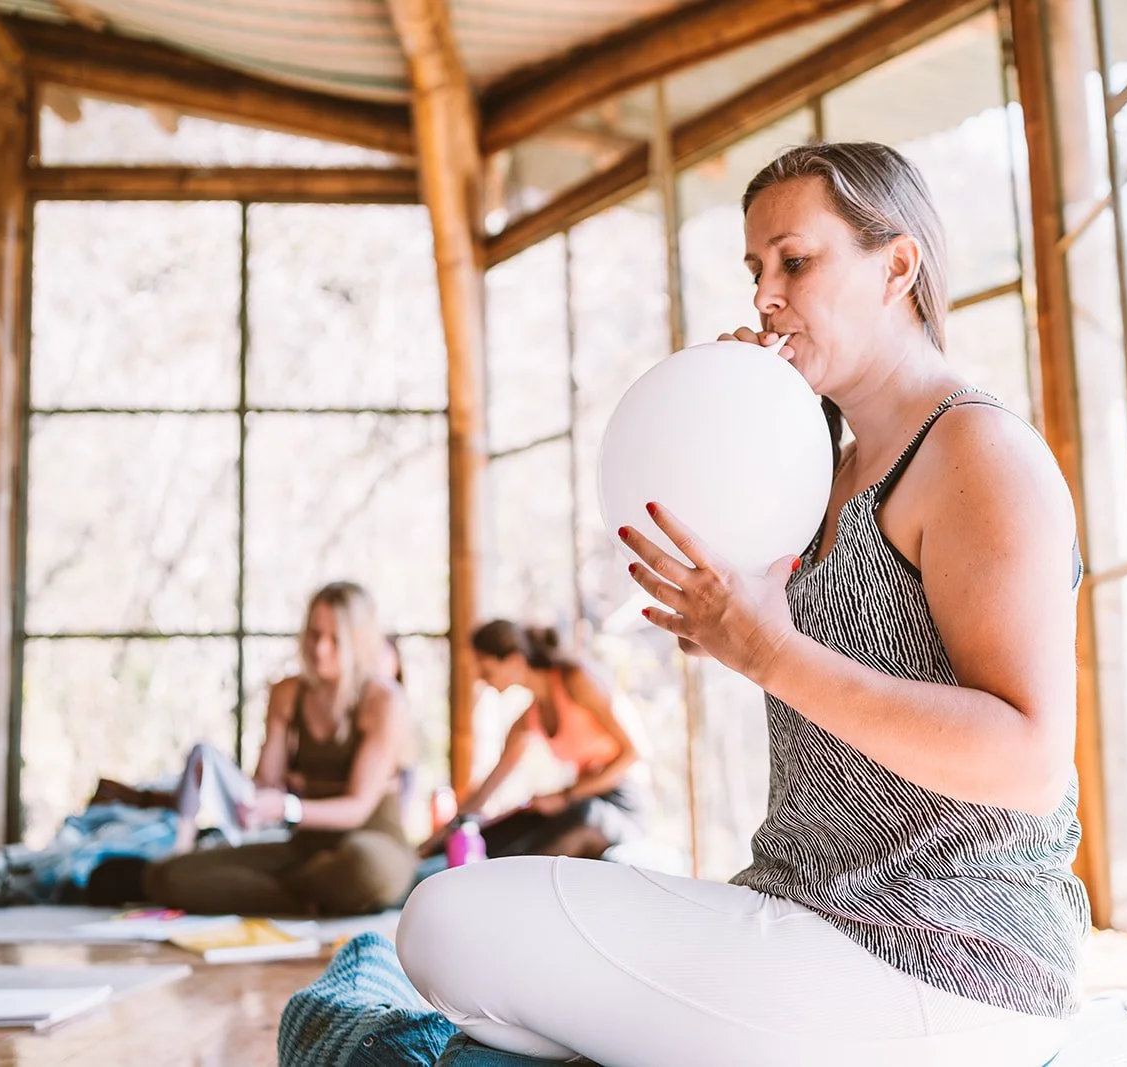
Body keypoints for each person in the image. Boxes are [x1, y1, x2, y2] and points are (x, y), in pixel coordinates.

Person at [397, 142, 1088, 1067]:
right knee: (468, 950)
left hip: (954, 956)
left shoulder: (976, 452)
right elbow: (773, 643)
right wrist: (732, 442)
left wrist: (768, 651)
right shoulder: (823, 468)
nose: (765, 295)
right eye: (756, 269)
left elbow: (1029, 762)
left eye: (795, 262)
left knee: (448, 923)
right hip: (805, 905)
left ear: (897, 267)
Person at [141, 582, 418, 916]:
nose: (320, 649)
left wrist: (288, 807)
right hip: (306, 848)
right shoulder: (287, 692)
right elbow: (266, 783)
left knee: (364, 867)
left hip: (373, 842)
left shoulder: (384, 701)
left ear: (358, 642)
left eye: (335, 640)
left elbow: (356, 808)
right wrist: (226, 784)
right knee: (166, 876)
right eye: (314, 634)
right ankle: (310, 900)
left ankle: (292, 894)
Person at [418, 621, 643, 862]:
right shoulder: (528, 719)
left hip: (619, 805)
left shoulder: (575, 679)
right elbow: (487, 789)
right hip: (580, 799)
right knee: (516, 822)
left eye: (486, 671)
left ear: (515, 660)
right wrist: (439, 838)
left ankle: (507, 876)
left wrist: (566, 796)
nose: (482, 679)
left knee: (580, 815)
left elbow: (633, 753)